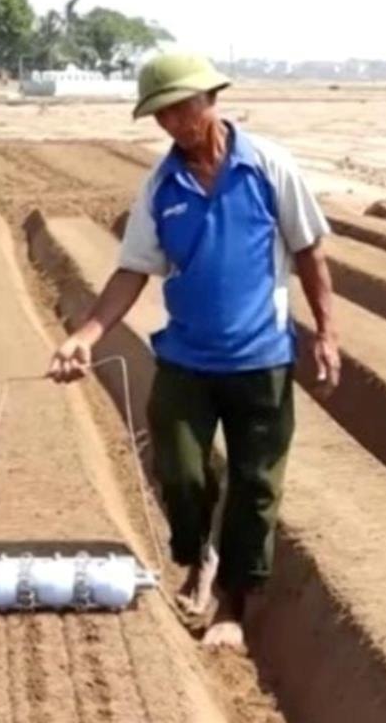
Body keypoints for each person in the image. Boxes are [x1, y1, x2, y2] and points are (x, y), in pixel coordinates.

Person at [47, 53, 340, 649]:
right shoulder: (160, 188)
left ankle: (232, 605)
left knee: (257, 486)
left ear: (212, 99)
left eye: (186, 106)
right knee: (181, 470)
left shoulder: (268, 166)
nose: (177, 122)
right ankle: (196, 555)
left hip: (262, 360)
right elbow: (133, 271)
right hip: (187, 359)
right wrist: (85, 335)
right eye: (163, 114)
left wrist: (327, 333)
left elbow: (309, 252)